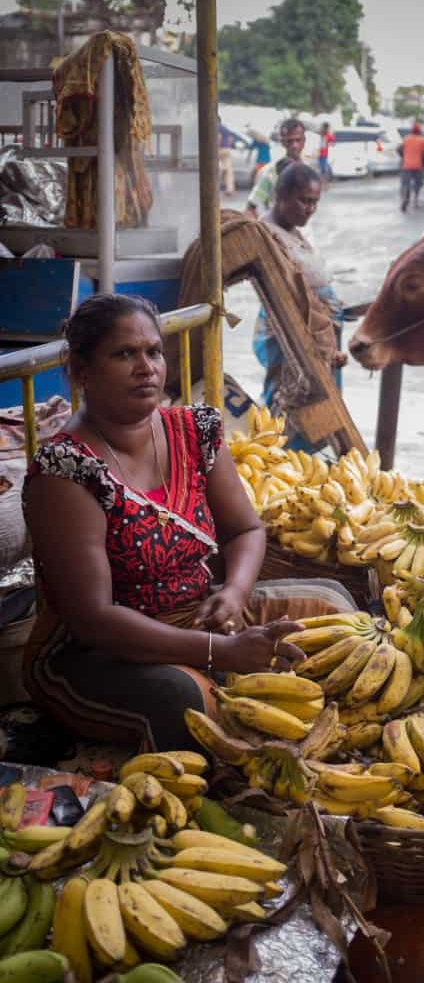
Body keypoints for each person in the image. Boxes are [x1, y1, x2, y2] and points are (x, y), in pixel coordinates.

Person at [22, 294, 356, 752]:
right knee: (189, 704)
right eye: (124, 354)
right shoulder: (67, 468)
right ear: (82, 370)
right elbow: (93, 620)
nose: (147, 368)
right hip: (100, 652)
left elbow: (245, 530)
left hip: (199, 614)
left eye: (153, 352)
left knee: (335, 609)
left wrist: (234, 594)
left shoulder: (193, 430)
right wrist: (220, 652)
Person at [254, 163, 347, 444]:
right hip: (292, 334)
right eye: (304, 201)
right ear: (281, 195)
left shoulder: (292, 229)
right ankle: (281, 463)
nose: (310, 209)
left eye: (315, 203)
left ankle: (312, 465)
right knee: (293, 402)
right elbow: (286, 292)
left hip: (318, 332)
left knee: (322, 408)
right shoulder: (266, 233)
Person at [246, 118, 306, 218]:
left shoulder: (308, 169)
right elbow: (251, 206)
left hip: (304, 230)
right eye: (289, 141)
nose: (294, 145)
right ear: (282, 142)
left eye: (298, 140)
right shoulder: (271, 171)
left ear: (304, 141)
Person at [398, 123, 424, 212]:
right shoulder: (422, 140)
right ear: (419, 131)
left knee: (405, 184)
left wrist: (404, 156)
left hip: (406, 165)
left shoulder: (406, 139)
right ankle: (415, 201)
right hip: (418, 166)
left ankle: (405, 199)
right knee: (418, 184)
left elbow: (399, 149)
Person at [217, 118, 235, 196]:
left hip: (219, 150)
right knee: (229, 171)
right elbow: (231, 139)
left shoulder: (216, 127)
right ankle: (229, 189)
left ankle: (214, 187)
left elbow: (218, 138)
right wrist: (228, 146)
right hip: (227, 150)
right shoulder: (225, 128)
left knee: (217, 169)